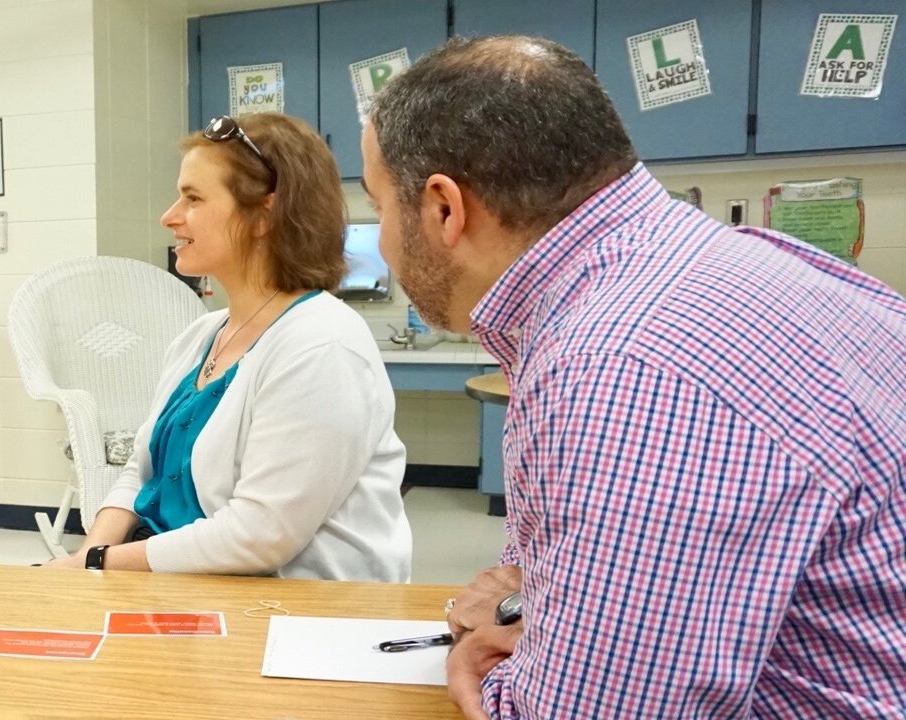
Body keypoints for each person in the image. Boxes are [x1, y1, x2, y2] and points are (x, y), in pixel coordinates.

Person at [361, 37, 906, 719]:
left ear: (444, 207)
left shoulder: (618, 367)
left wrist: (501, 665)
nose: (382, 239)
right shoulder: (735, 266)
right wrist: (539, 606)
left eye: (380, 205)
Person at [48, 113, 410, 579]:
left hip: (294, 613)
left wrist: (101, 564)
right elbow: (141, 473)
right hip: (180, 585)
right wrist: (86, 560)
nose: (169, 216)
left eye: (193, 198)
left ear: (265, 215)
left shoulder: (322, 344)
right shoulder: (200, 337)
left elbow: (259, 535)